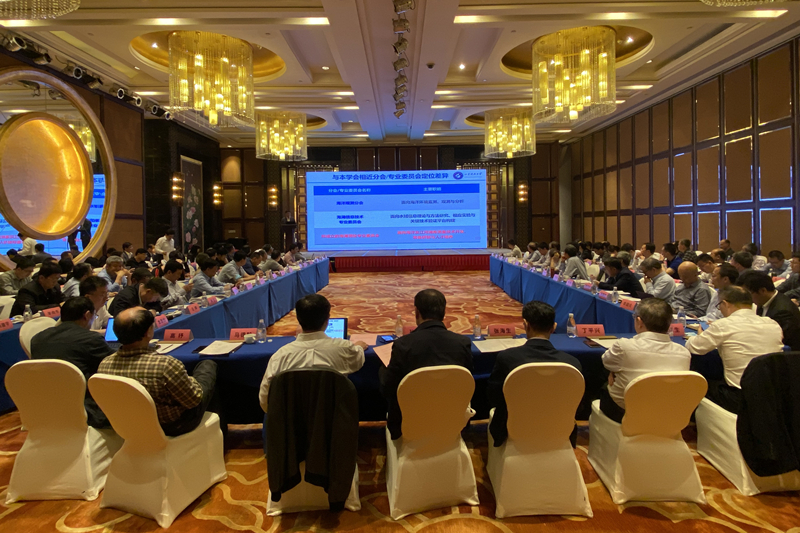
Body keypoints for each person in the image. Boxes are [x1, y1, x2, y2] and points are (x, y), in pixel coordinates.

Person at [98, 307, 221, 436]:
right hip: (172, 426)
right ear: (148, 333)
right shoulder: (165, 365)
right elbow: (193, 400)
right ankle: (220, 433)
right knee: (208, 366)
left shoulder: (104, 365)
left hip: (126, 426)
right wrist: (191, 380)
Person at [381, 289, 473, 440]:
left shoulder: (403, 345)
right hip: (453, 422)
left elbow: (388, 389)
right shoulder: (462, 343)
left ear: (417, 312)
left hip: (408, 425)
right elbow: (467, 382)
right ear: (444, 312)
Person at [487, 301, 582, 446]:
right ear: (554, 327)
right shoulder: (572, 363)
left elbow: (494, 397)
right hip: (559, 429)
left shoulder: (507, 358)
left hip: (513, 428)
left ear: (526, 325)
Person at [685, 286, 784, 414]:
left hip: (739, 397)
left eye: (719, 306)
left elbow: (693, 347)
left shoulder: (723, 325)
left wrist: (700, 335)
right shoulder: (773, 324)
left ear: (725, 304)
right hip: (773, 394)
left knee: (696, 381)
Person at [259, 294, 366, 411]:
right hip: (334, 417)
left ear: (298, 320)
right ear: (327, 319)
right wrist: (359, 347)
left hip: (291, 420)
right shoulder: (345, 348)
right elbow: (358, 360)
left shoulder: (280, 356)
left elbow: (265, 399)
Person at [600, 298, 691, 422]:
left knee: (605, 380)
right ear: (670, 324)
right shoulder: (684, 353)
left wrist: (613, 371)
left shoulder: (624, 346)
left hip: (626, 412)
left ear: (639, 322)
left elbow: (606, 361)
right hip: (668, 413)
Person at [30, 297, 114, 427]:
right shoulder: (90, 339)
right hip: (86, 411)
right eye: (94, 316)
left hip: (43, 409)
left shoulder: (37, 339)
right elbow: (114, 365)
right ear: (87, 315)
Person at [738, 270, 800, 351]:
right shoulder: (763, 301)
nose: (746, 298)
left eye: (748, 294)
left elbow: (774, 341)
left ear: (763, 291)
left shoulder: (783, 312)